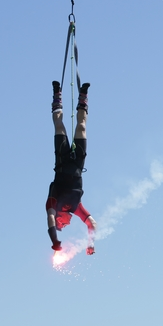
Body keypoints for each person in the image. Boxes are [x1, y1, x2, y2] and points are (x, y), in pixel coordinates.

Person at [46, 80, 96, 255]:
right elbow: (92, 223)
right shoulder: (75, 208)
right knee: (81, 126)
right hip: (77, 163)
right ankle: (83, 96)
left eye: (61, 225)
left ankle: (57, 95)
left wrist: (54, 239)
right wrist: (90, 244)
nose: (64, 225)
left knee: (59, 125)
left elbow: (50, 218)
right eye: (63, 227)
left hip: (61, 160)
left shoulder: (53, 201)